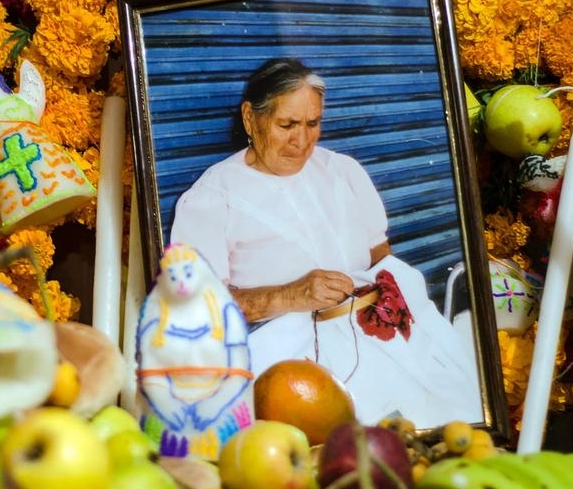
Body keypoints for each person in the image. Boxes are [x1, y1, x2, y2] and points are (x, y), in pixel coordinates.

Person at [169, 58, 483, 427]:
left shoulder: (341, 171)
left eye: (312, 124)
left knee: (453, 416)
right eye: (286, 125)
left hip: (385, 334)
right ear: (250, 118)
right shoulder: (211, 198)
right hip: (294, 361)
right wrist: (293, 295)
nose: (302, 142)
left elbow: (381, 256)